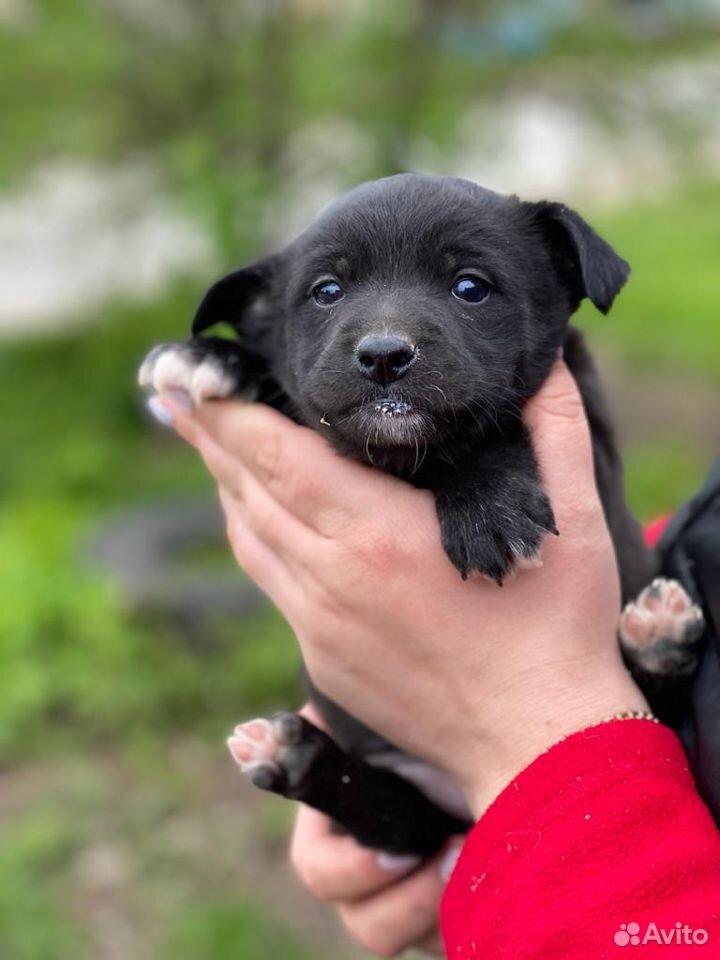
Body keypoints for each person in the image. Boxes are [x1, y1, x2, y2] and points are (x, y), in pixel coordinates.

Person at [151, 360, 720, 958]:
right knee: (398, 830)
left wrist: (531, 739)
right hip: (507, 794)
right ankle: (330, 775)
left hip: (590, 839)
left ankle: (317, 769)